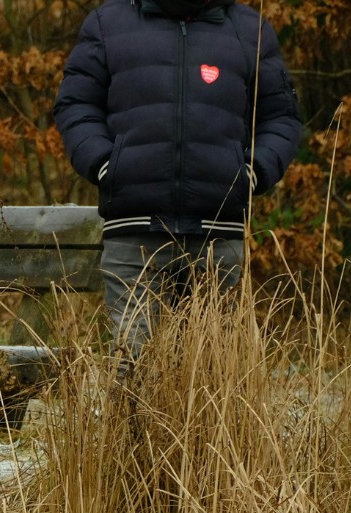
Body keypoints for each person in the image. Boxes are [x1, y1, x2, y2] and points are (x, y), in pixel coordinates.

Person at [52, 0, 302, 359]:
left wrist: (250, 173)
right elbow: (75, 104)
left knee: (211, 371)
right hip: (134, 233)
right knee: (131, 367)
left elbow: (282, 118)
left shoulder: (251, 29)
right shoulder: (107, 23)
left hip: (218, 235)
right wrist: (107, 165)